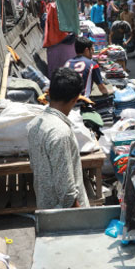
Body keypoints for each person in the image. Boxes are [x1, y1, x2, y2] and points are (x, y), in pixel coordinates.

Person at [27, 68, 90, 209]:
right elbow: (67, 191)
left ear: (49, 93)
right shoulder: (60, 133)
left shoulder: (34, 124)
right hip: (64, 216)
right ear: (75, 100)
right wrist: (83, 217)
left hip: (45, 208)